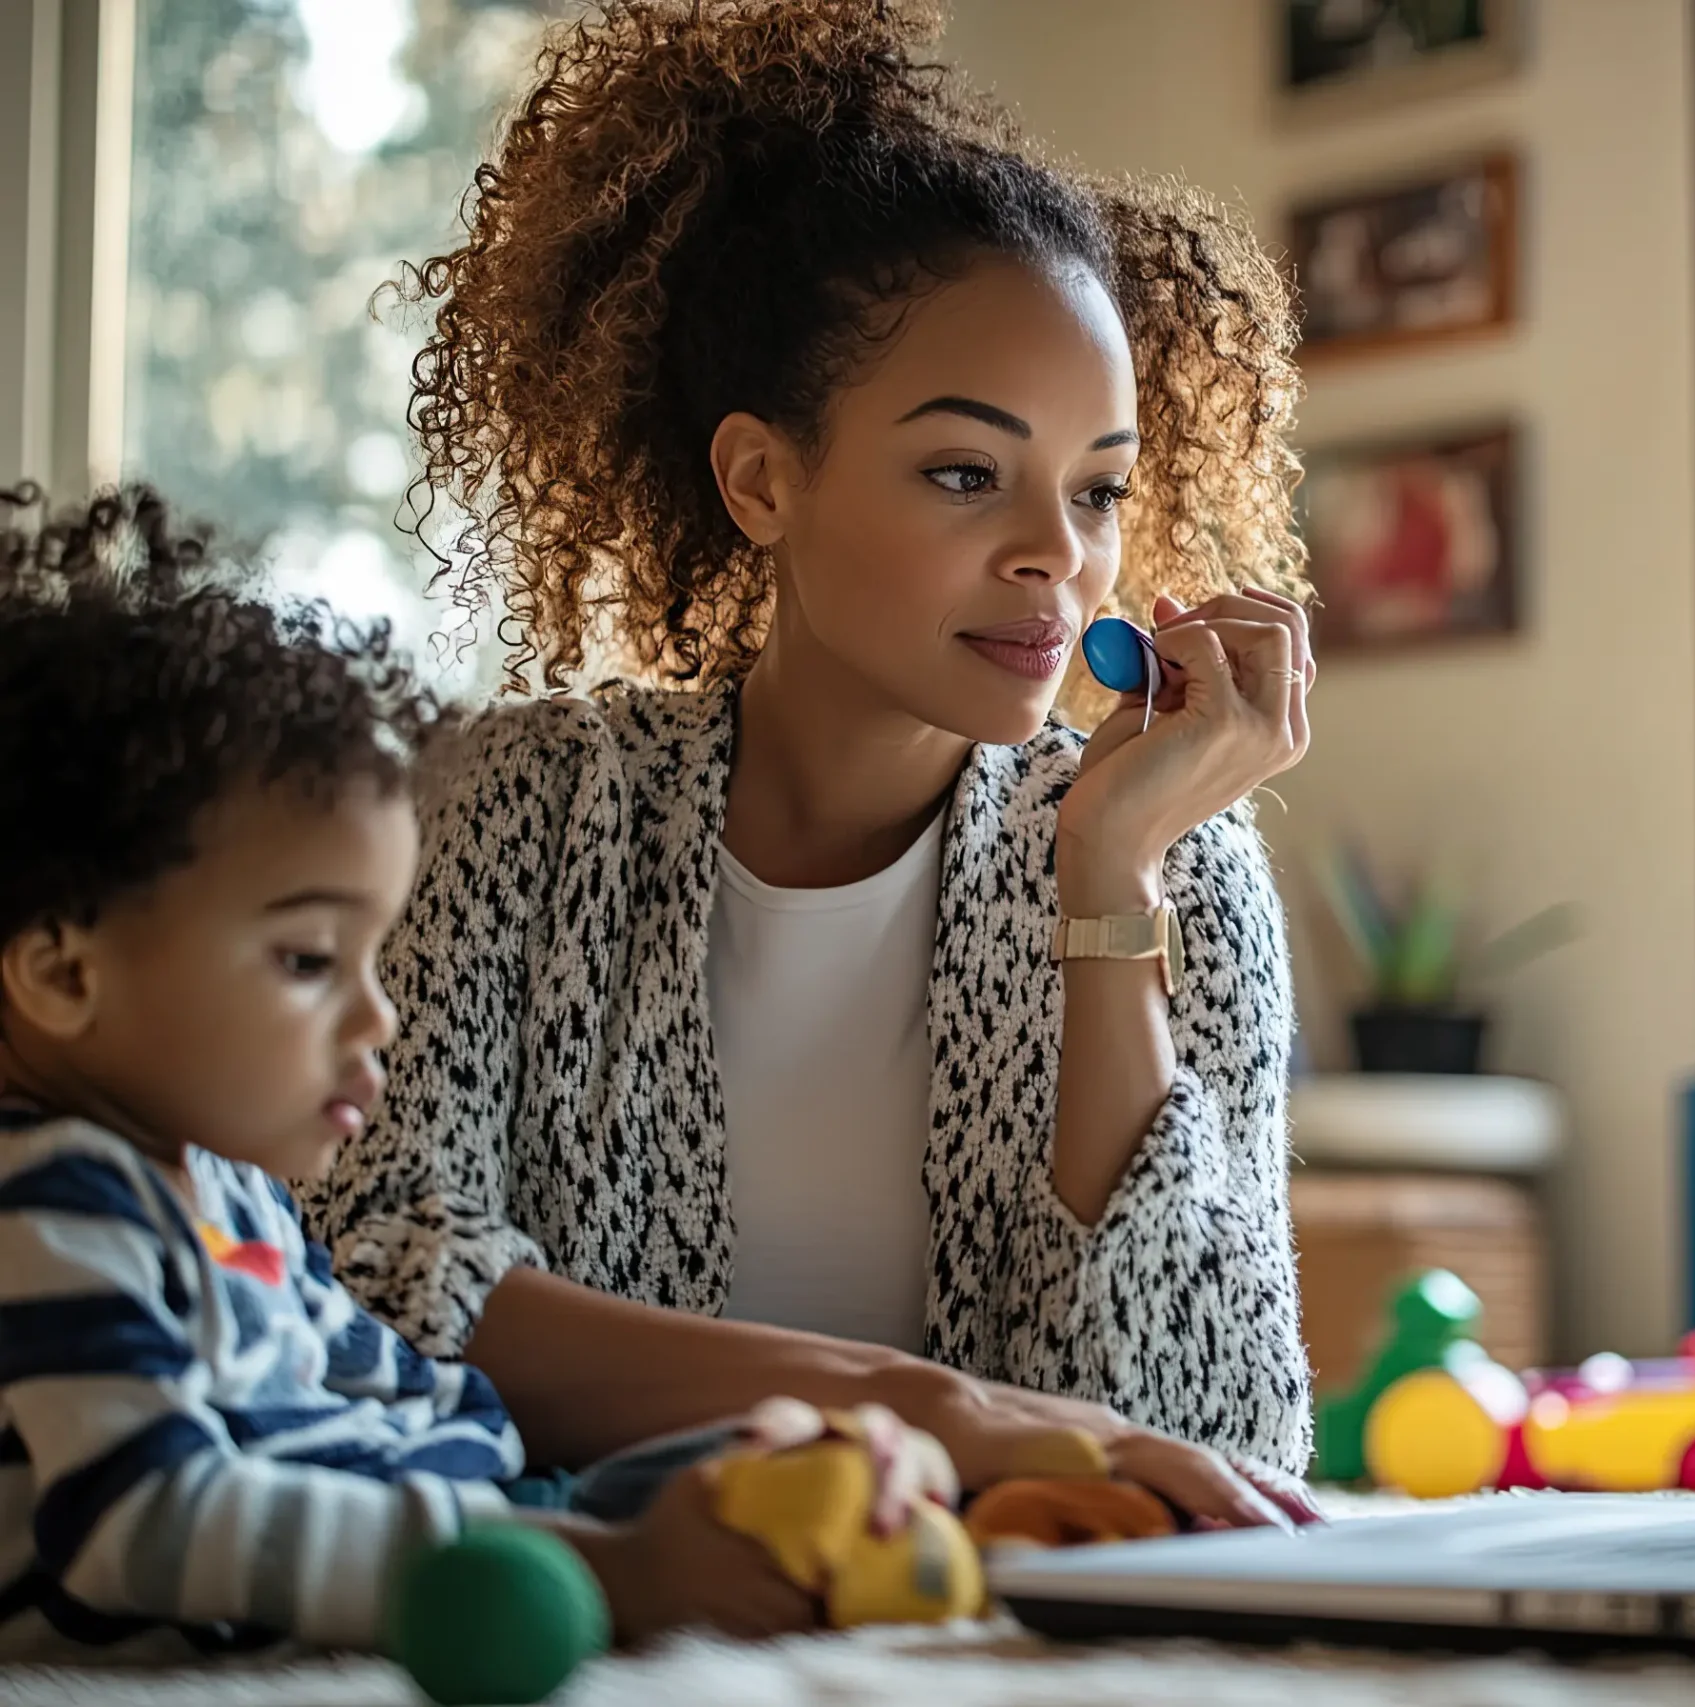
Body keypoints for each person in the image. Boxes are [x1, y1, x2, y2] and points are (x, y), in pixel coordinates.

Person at [305, 0, 1322, 1528]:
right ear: (763, 479)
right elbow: (370, 1290)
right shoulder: (518, 810)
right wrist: (926, 1410)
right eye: (967, 472)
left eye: (1099, 490)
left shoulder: (1174, 854)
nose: (1062, 554)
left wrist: (1108, 884)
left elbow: (1211, 1448)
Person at [0, 484, 959, 1659]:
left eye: (376, 954)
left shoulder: (232, 1200)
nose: (379, 1015)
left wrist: (703, 1476)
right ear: (60, 972)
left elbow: (431, 1413)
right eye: (308, 960)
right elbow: (146, 1525)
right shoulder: (52, 1210)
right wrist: (607, 1569)